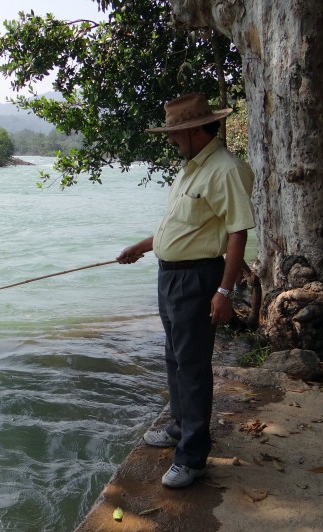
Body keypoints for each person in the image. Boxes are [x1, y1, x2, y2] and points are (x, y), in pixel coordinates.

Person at [117, 93, 255, 488]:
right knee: (175, 357)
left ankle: (192, 456)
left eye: (175, 133)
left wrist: (224, 292)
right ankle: (179, 428)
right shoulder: (190, 168)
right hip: (170, 276)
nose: (171, 141)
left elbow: (237, 232)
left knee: (193, 365)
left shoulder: (225, 169)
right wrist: (141, 248)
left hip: (198, 278)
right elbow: (177, 228)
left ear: (195, 130)